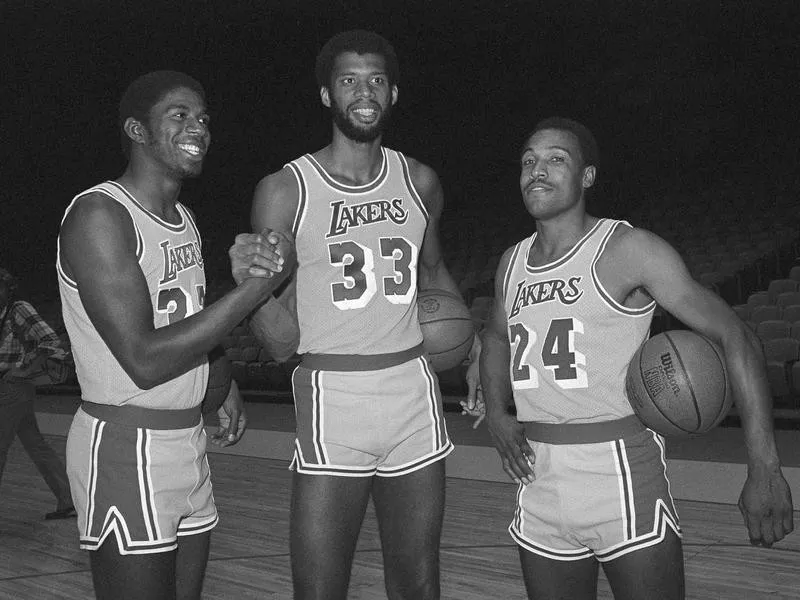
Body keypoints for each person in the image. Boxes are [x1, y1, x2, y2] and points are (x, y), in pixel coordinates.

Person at [477, 117, 794, 599]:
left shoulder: (628, 249)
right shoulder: (512, 261)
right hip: (537, 474)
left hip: (618, 472)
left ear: (587, 177)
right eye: (528, 161)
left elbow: (736, 335)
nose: (537, 171)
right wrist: (499, 413)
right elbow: (497, 337)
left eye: (556, 159)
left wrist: (764, 466)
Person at [57, 70, 295, 600]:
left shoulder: (182, 218)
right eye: (180, 115)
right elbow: (143, 358)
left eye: (204, 118)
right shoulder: (100, 214)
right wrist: (257, 289)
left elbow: (182, 316)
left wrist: (220, 375)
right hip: (125, 443)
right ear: (137, 131)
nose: (200, 127)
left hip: (185, 442)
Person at [249, 30, 464, 600]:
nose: (363, 92)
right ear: (326, 95)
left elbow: (436, 273)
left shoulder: (420, 181)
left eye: (376, 81)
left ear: (393, 93)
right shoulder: (285, 188)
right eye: (348, 81)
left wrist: (466, 342)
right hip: (331, 392)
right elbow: (269, 330)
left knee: (418, 581)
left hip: (412, 392)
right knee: (319, 588)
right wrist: (261, 299)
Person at [0, 268, 75, 520]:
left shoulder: (18, 308)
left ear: (8, 289)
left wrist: (25, 370)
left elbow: (51, 340)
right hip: (7, 388)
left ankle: (69, 499)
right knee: (36, 445)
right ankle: (68, 499)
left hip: (12, 388)